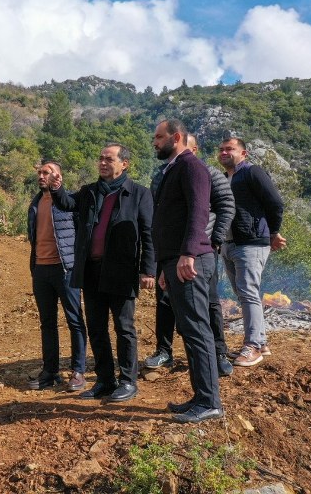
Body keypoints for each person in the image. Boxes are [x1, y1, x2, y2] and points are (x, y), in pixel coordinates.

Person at [50, 144, 155, 403]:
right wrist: (56, 188)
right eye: (100, 159)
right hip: (92, 271)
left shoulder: (139, 194)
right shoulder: (90, 192)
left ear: (124, 164)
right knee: (96, 328)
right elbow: (67, 203)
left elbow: (149, 235)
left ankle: (128, 381)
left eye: (109, 159)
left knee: (124, 328)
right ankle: (105, 380)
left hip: (121, 271)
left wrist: (148, 270)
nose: (103, 163)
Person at [144, 133, 236, 377]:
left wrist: (214, 241)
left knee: (211, 303)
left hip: (199, 254)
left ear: (193, 149)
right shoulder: (162, 176)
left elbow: (226, 207)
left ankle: (218, 352)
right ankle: (164, 350)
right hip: (170, 253)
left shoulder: (209, 173)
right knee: (164, 302)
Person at [152, 119, 223, 423]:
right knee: (190, 331)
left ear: (176, 137)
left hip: (191, 260)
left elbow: (198, 211)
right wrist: (167, 264)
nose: (154, 142)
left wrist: (187, 253)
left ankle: (209, 402)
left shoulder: (192, 167)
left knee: (197, 330)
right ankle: (200, 396)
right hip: (176, 261)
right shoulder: (173, 169)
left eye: (159, 137)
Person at [218, 137, 286, 367]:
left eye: (230, 149)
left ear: (243, 153)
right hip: (228, 243)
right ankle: (261, 342)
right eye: (221, 149)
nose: (224, 152)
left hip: (251, 242)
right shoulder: (223, 178)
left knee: (247, 292)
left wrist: (273, 232)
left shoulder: (252, 172)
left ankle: (253, 346)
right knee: (244, 294)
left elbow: (275, 203)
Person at [26, 160, 87, 391]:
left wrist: (79, 266)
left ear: (58, 176)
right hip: (41, 270)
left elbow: (81, 234)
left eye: (47, 172)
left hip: (65, 270)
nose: (42, 176)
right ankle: (50, 372)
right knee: (47, 323)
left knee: (75, 321)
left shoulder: (69, 201)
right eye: (40, 172)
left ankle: (79, 371)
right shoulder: (35, 203)